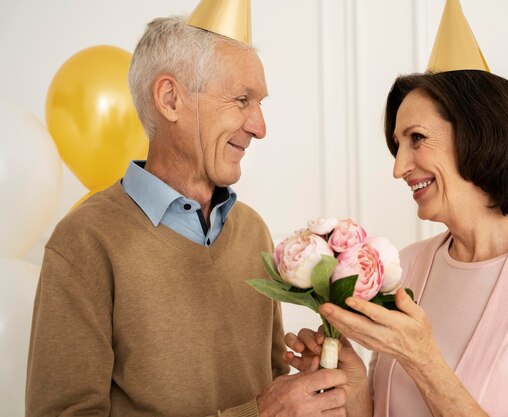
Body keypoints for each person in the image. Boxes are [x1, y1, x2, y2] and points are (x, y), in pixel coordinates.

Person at [26, 15, 349, 417]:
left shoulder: (253, 232)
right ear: (170, 99)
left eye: (260, 103)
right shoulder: (86, 240)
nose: (260, 126)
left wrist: (302, 395)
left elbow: (268, 388)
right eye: (242, 99)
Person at [285, 70, 508, 417]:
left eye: (416, 138)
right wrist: (353, 387)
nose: (399, 167)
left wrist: (422, 359)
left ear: (480, 137)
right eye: (398, 145)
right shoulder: (409, 265)